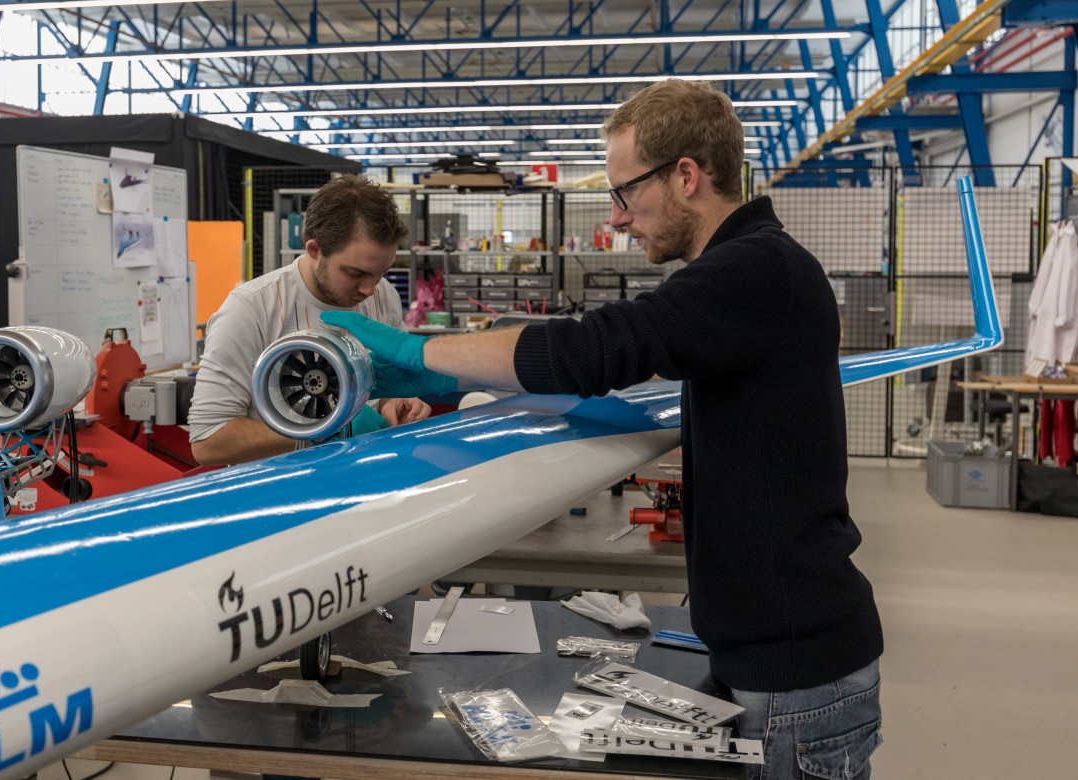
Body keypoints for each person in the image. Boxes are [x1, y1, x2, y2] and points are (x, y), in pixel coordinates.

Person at [322, 80, 883, 779]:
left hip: (797, 676)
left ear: (686, 175)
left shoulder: (754, 271)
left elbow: (594, 349)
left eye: (625, 193)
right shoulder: (753, 269)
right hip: (765, 652)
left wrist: (417, 353)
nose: (618, 219)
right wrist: (455, 376)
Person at [189, 175, 431, 466]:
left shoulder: (384, 295)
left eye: (381, 272)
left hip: (362, 476)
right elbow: (208, 442)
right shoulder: (252, 309)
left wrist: (393, 404)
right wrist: (323, 431)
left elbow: (380, 387)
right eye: (355, 273)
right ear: (314, 250)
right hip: (280, 492)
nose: (369, 289)